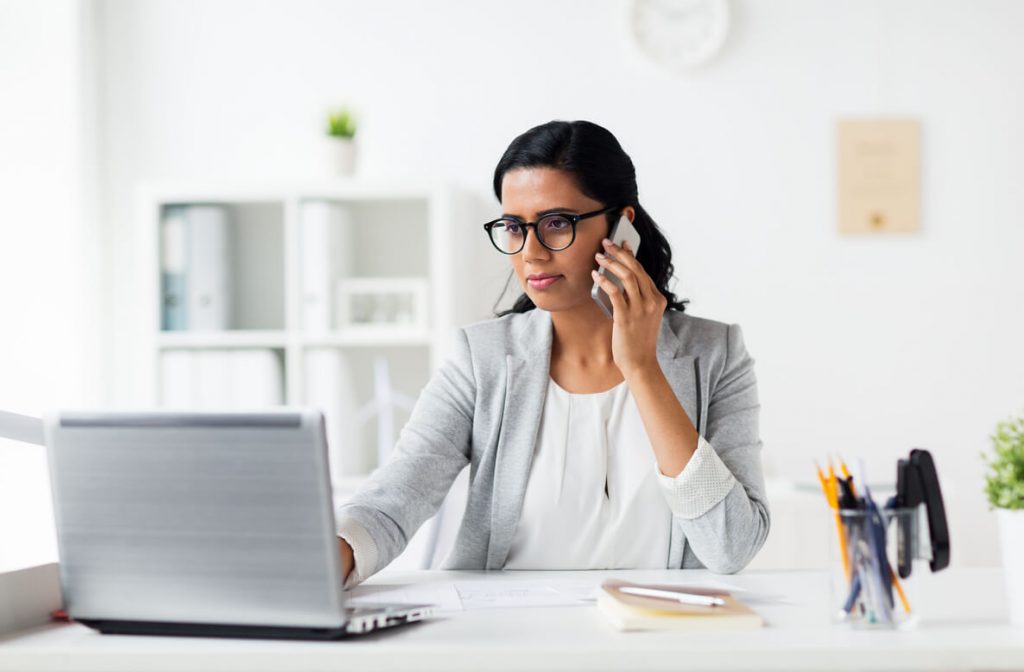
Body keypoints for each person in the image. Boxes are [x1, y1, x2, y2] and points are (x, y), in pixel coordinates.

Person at [335, 120, 769, 587]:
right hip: (512, 642)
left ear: (623, 226)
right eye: (514, 227)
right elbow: (395, 497)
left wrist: (642, 368)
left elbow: (731, 547)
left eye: (557, 223)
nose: (531, 253)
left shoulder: (716, 354)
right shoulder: (481, 360)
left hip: (659, 643)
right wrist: (321, 561)